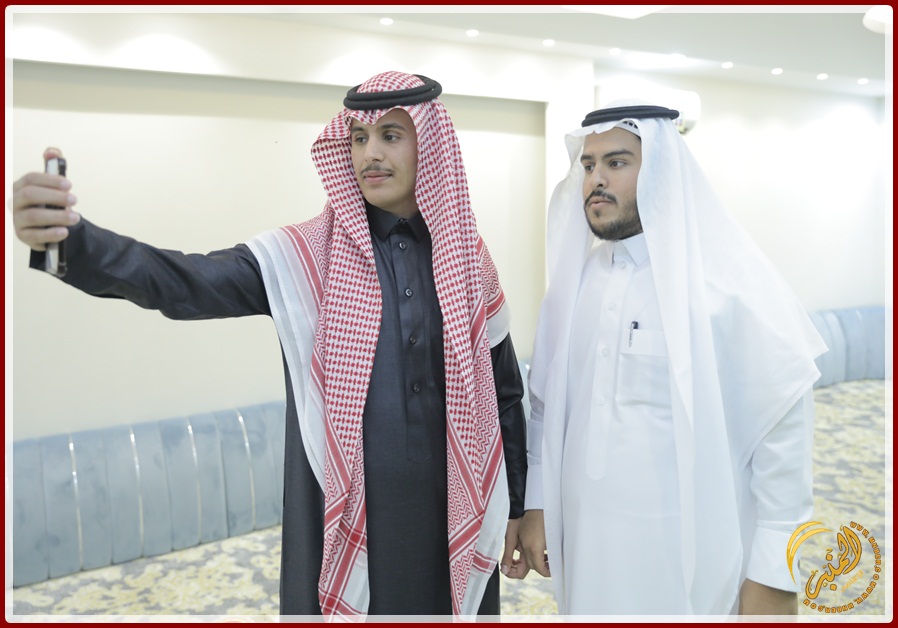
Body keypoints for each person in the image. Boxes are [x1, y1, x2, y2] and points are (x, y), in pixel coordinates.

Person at [10, 71, 529, 618]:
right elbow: (185, 280)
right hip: (348, 521)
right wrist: (75, 242)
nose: (370, 154)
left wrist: (518, 505)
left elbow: (504, 394)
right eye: (358, 138)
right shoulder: (302, 258)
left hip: (455, 516)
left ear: (431, 146)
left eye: (390, 136)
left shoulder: (467, 258)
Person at [517, 101, 828, 616]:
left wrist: (775, 572)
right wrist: (537, 505)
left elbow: (782, 432)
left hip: (688, 553)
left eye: (617, 162)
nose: (596, 179)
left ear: (662, 171)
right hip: (589, 544)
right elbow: (547, 409)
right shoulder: (574, 285)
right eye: (588, 165)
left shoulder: (726, 281)